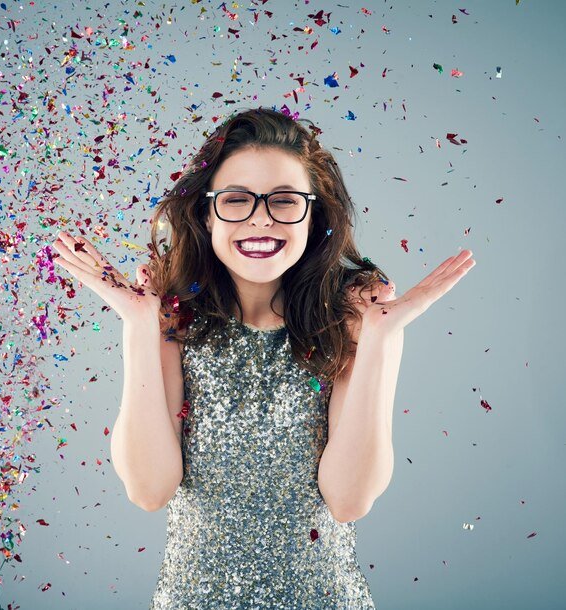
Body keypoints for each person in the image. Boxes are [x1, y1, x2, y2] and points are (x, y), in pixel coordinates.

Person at [51, 107, 476, 609]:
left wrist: (380, 343)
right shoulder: (169, 322)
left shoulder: (357, 322)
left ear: (314, 214)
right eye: (236, 200)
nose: (260, 219)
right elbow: (149, 489)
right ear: (206, 214)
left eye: (283, 201)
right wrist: (139, 327)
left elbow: (348, 500)